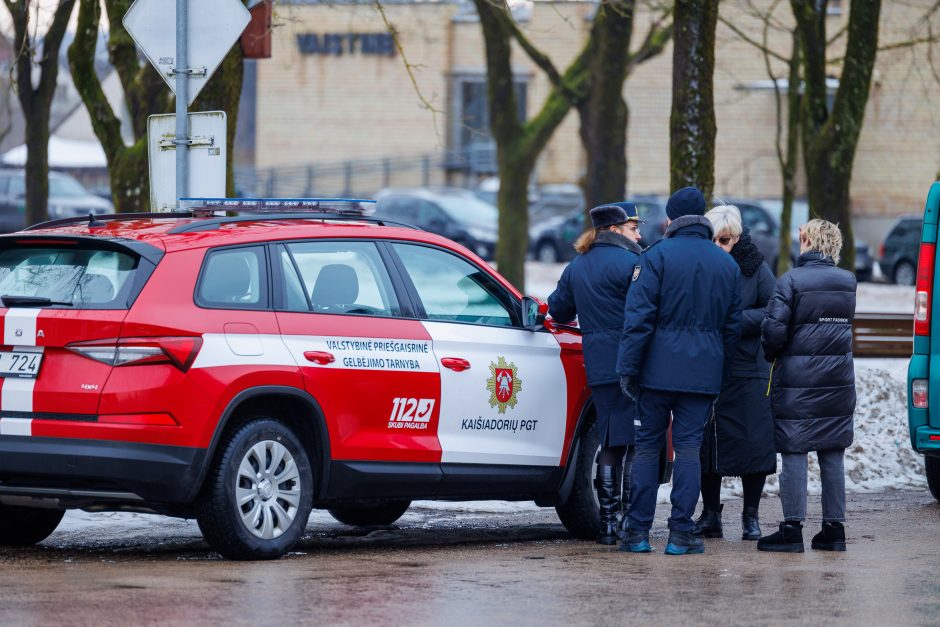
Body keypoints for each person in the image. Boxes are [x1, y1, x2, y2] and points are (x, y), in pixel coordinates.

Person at [616, 187, 741, 555]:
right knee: (688, 450)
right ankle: (681, 533)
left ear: (670, 219)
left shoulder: (654, 258)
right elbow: (731, 329)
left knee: (647, 449)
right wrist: (719, 368)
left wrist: (628, 369)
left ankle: (637, 532)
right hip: (702, 374)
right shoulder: (726, 265)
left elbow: (637, 320)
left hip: (655, 374)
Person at [758, 219, 856, 553]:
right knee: (832, 452)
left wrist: (771, 354)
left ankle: (791, 529)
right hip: (837, 381)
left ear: (806, 240)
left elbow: (773, 332)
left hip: (798, 381)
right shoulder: (847, 282)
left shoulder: (791, 281)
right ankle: (834, 529)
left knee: (795, 450)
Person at [548, 202, 643, 545]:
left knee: (609, 440)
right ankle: (631, 522)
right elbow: (645, 313)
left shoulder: (577, 266)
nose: (640, 235)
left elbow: (558, 310)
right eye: (634, 228)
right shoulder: (634, 264)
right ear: (616, 229)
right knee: (635, 443)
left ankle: (606, 523)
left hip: (599, 365)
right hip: (634, 364)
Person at [693, 205, 776, 542]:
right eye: (713, 239)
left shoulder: (755, 267)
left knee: (752, 443)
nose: (719, 245)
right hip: (708, 365)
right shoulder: (700, 266)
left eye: (725, 239)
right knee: (706, 447)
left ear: (737, 238)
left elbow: (772, 310)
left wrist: (736, 322)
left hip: (746, 368)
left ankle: (751, 517)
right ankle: (711, 514)